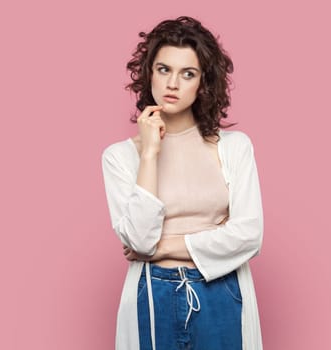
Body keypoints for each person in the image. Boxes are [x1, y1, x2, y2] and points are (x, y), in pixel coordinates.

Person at [101, 16, 264, 350]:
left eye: (187, 74)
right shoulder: (120, 157)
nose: (172, 83)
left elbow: (248, 234)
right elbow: (141, 240)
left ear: (203, 82)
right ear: (149, 73)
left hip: (222, 289)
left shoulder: (233, 147)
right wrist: (149, 154)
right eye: (163, 70)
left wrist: (164, 247)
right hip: (152, 290)